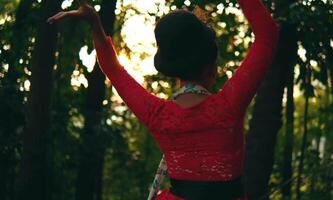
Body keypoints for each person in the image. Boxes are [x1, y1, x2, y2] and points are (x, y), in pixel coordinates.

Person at [48, 0, 279, 199]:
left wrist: (94, 22)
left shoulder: (158, 115)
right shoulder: (229, 105)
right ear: (212, 68)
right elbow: (268, 35)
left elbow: (112, 69)